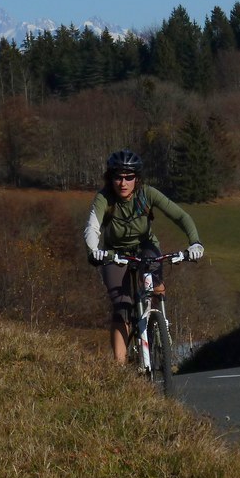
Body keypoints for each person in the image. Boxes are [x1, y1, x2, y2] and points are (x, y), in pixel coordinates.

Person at [84, 148, 204, 363]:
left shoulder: (147, 194)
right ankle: (119, 369)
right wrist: (94, 252)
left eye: (129, 177)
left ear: (136, 179)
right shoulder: (104, 198)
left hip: (145, 247)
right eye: (118, 177)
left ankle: (156, 323)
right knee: (121, 307)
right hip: (115, 254)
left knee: (154, 285)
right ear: (110, 178)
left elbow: (180, 216)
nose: (123, 183)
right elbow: (92, 227)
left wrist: (195, 242)